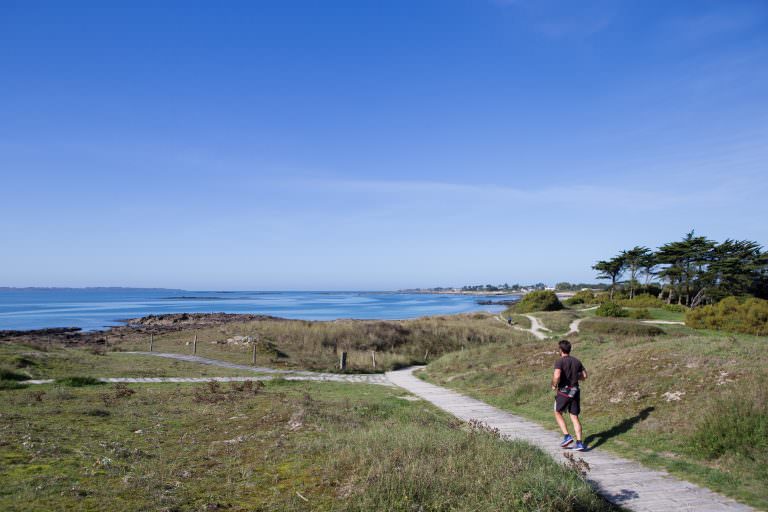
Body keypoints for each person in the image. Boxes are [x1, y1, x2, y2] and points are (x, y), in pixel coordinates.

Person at [551, 339, 587, 451]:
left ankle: (567, 436)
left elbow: (557, 375)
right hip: (575, 391)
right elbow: (585, 376)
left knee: (557, 412)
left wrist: (553, 384)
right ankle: (580, 443)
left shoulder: (560, 362)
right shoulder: (577, 361)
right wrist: (576, 378)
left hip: (564, 392)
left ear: (561, 350)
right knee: (574, 416)